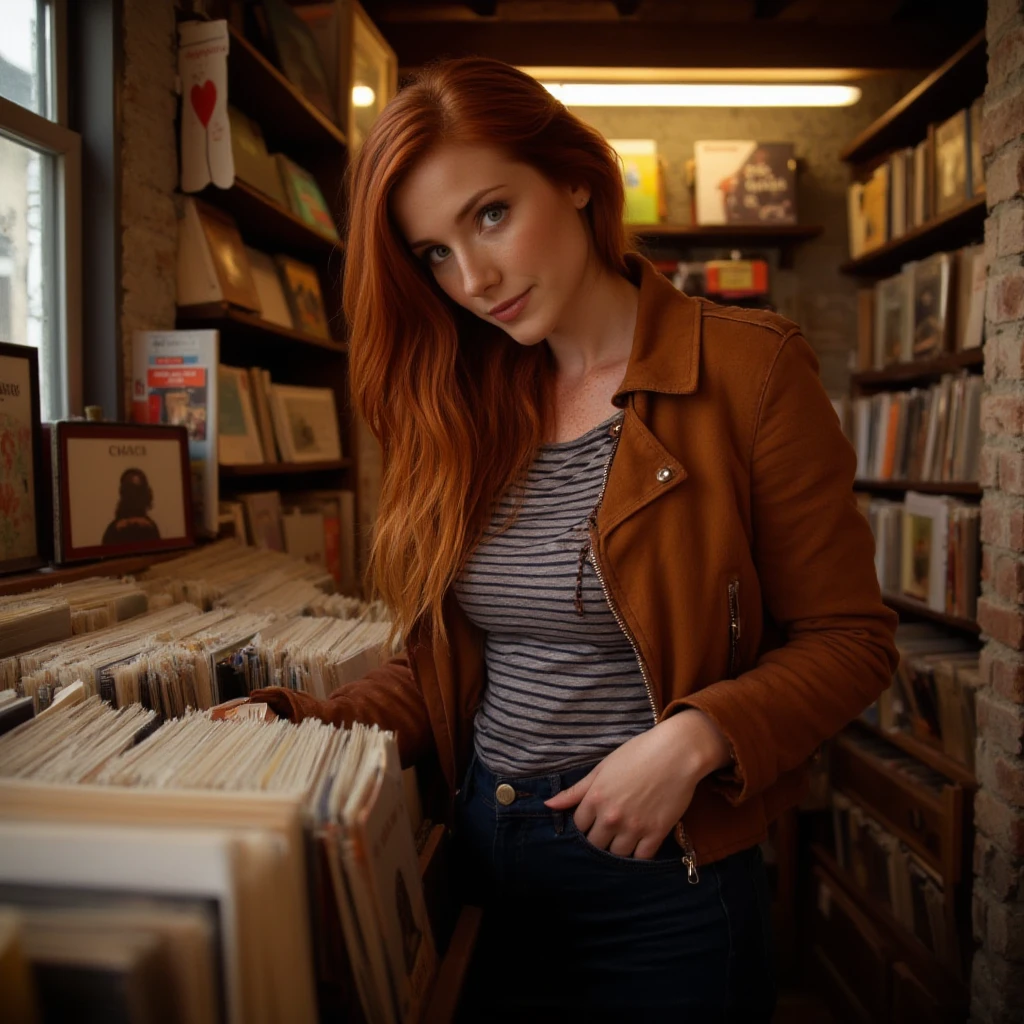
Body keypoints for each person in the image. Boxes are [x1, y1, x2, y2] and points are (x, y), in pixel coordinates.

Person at [248, 57, 899, 1020]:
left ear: (576, 178)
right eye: (434, 253)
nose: (474, 279)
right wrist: (307, 724)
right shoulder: (463, 400)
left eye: (491, 214)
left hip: (662, 874)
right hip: (483, 850)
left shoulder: (750, 370)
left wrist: (694, 739)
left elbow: (851, 640)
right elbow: (450, 669)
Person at [101, 468, 161, 545]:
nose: (133, 496)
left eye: (137, 491)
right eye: (130, 490)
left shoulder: (151, 528)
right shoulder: (113, 529)